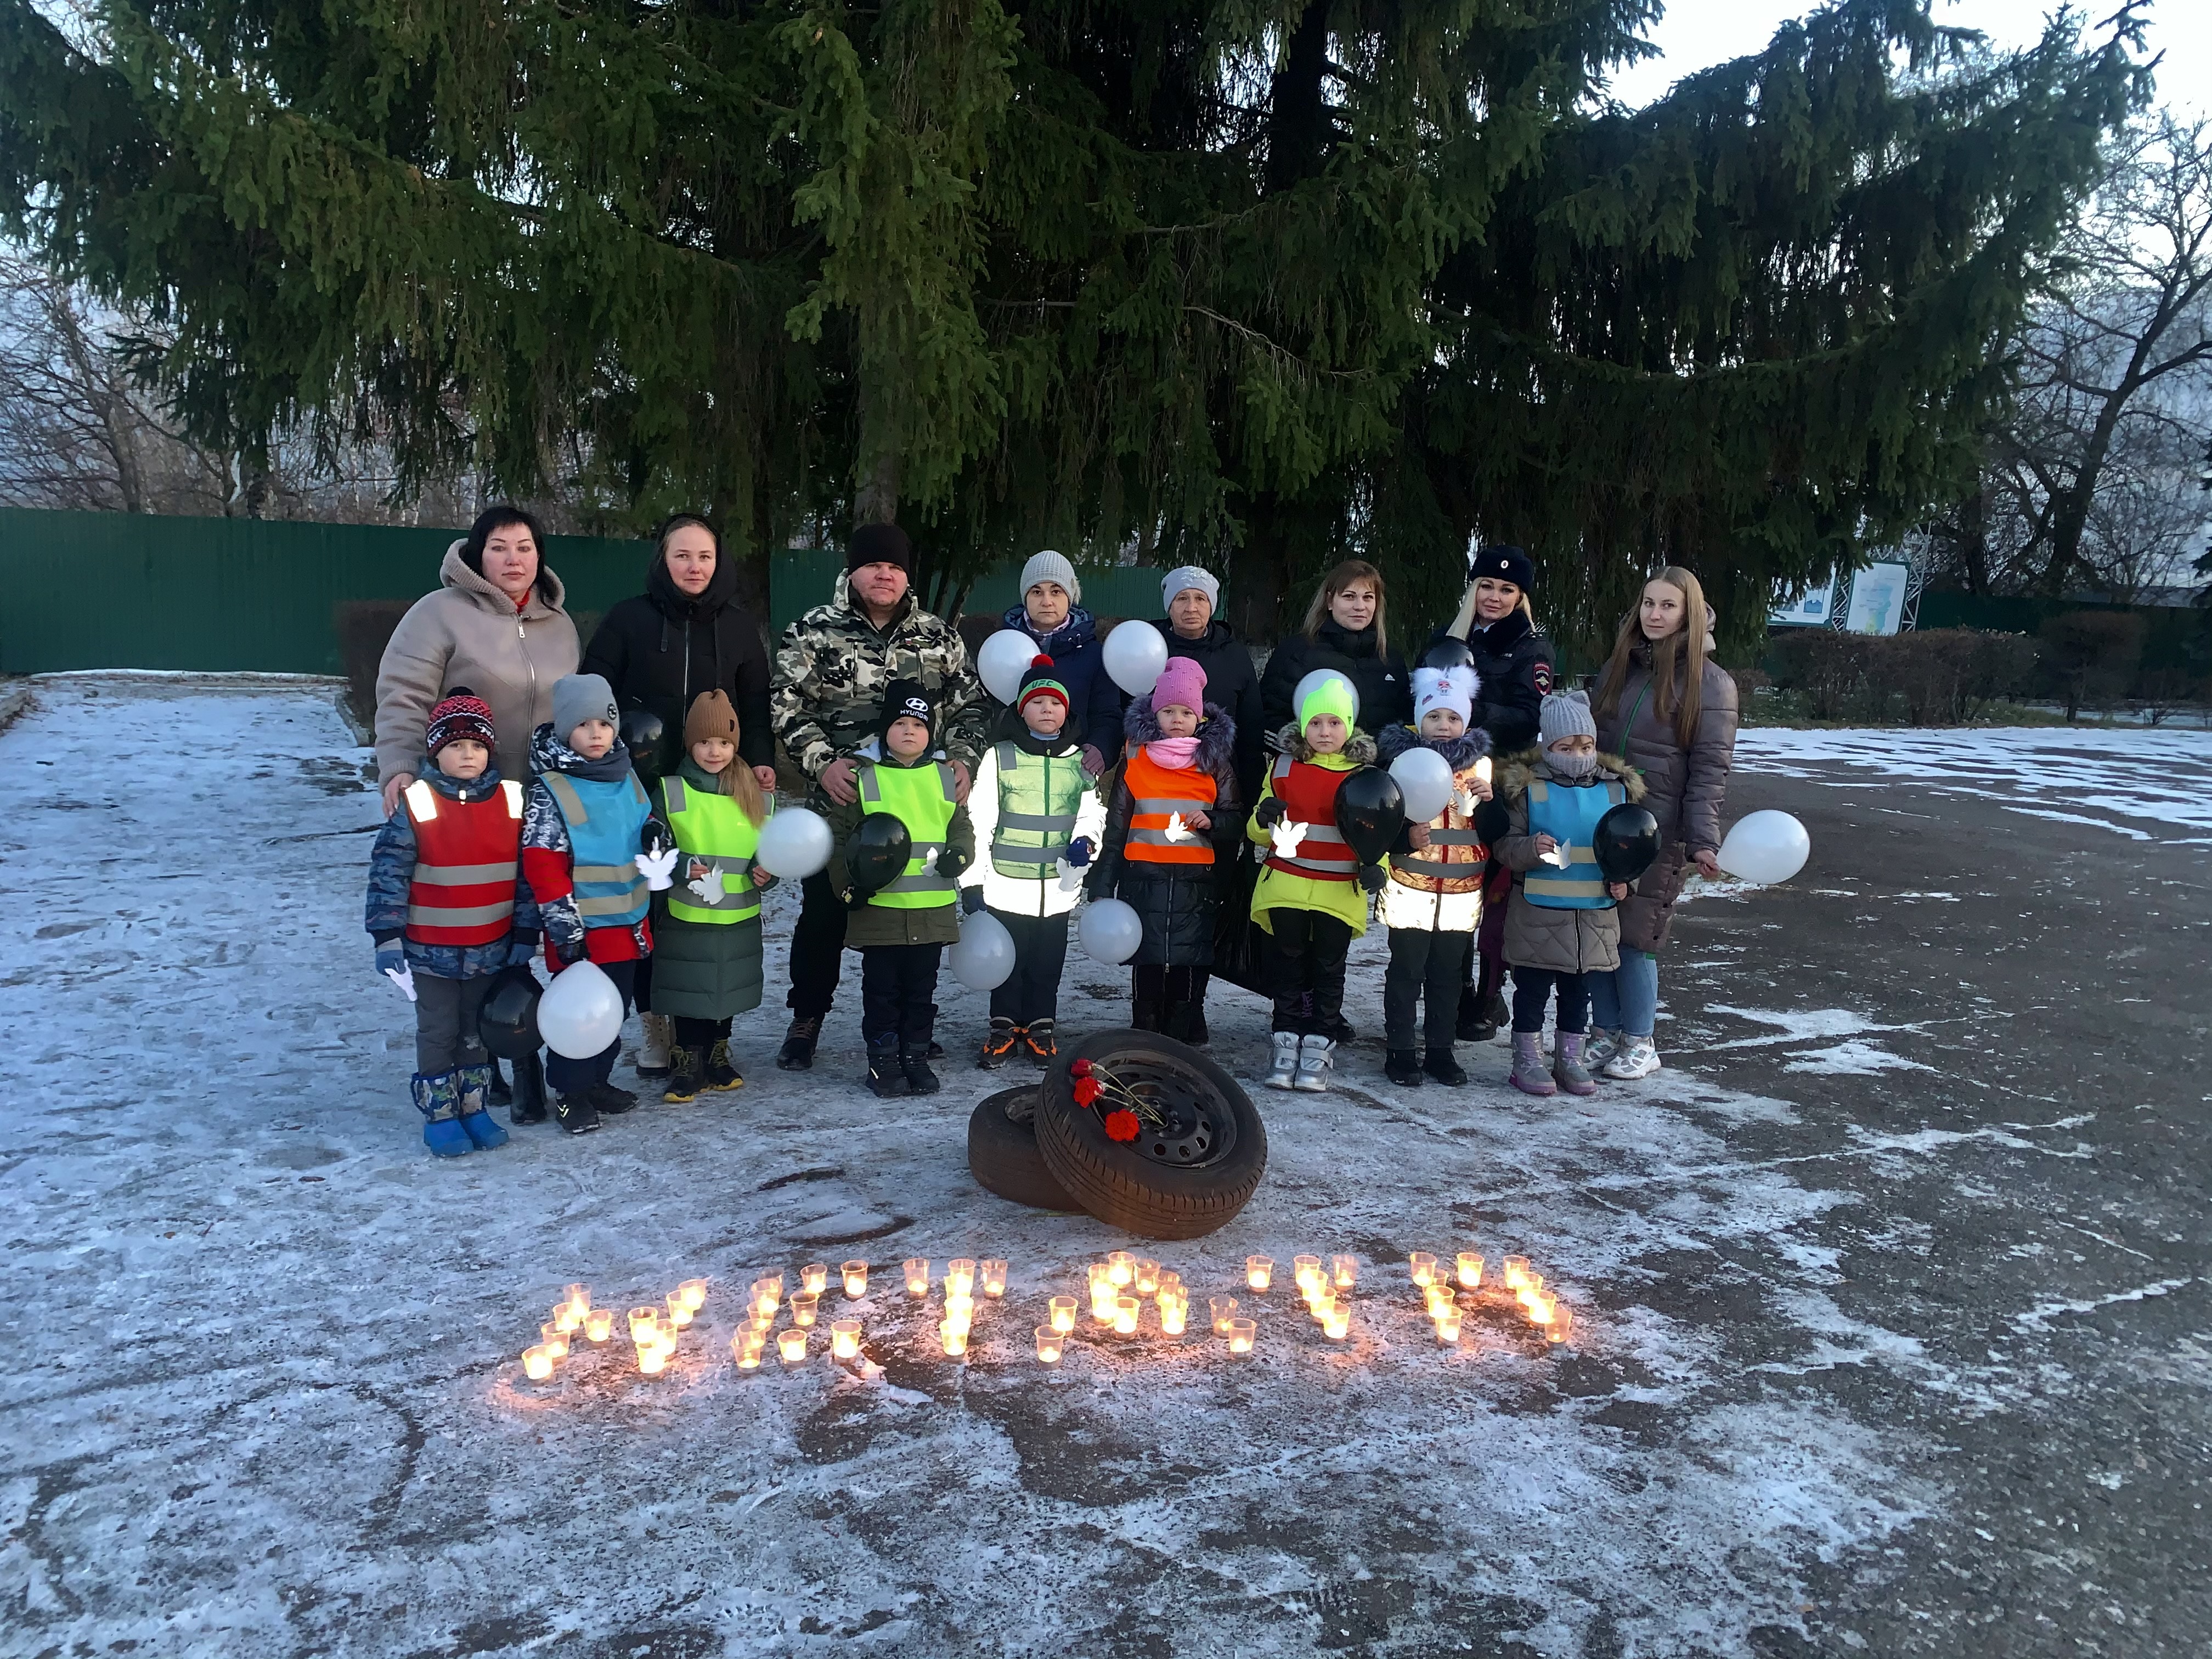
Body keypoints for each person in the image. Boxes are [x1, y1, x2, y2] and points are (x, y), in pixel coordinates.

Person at [770, 524, 986, 1070]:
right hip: (841, 805)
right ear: (854, 571)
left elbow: (972, 709)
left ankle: (907, 1023)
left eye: (893, 566)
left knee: (910, 924)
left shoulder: (940, 638)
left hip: (918, 813)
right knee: (823, 915)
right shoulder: (814, 632)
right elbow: (786, 705)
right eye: (873, 565)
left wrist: (963, 759)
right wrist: (822, 763)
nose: (884, 575)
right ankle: (808, 1015)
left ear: (906, 574)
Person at [581, 514, 778, 1080]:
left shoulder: (739, 629)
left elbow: (757, 701)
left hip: (715, 782)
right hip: (641, 785)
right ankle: (656, 1023)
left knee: (705, 906)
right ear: (662, 560)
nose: (695, 567)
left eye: (705, 557)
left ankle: (708, 1025)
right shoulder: (629, 619)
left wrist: (760, 758)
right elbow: (596, 687)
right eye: (682, 555)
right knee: (651, 908)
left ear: (720, 564)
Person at [365, 690, 542, 1154]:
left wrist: (526, 932)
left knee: (474, 1033)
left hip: (491, 947)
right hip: (430, 951)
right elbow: (388, 873)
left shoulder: (511, 801)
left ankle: (475, 1107)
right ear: (435, 751)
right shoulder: (418, 802)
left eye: (478, 746)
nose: (468, 755)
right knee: (438, 1031)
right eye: (456, 746)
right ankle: (441, 1114)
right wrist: (387, 938)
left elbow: (527, 874)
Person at [1588, 567, 1739, 1081]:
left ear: (1689, 614)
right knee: (1599, 931)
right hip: (1603, 821)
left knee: (1636, 937)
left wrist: (1700, 840)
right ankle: (1604, 1032)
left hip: (1657, 832)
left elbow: (1709, 771)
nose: (1655, 615)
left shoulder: (1710, 684)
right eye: (1649, 603)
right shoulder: (1619, 668)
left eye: (1668, 606)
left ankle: (1640, 1039)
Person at [520, 673, 675, 1133]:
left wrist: (656, 836)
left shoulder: (626, 777)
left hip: (627, 924)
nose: (595, 734)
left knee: (614, 1010)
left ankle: (597, 1082)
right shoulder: (550, 790)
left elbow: (645, 822)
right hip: (580, 933)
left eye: (604, 725)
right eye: (583, 725)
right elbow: (543, 867)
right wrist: (566, 932)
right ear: (565, 729)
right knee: (578, 1016)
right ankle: (570, 1092)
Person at [822, 681, 976, 1097]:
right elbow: (839, 839)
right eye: (900, 724)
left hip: (931, 910)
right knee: (882, 991)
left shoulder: (946, 779)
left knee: (921, 991)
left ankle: (916, 1057)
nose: (910, 732)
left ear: (931, 734)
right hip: (881, 914)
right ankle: (883, 1061)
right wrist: (846, 888)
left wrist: (960, 856)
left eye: (919, 725)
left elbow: (961, 828)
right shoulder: (865, 779)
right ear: (885, 730)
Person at [374, 505, 578, 817]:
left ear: (538, 557)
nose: (514, 559)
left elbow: (577, 708)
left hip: (547, 800)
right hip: (460, 795)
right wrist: (401, 764)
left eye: (525, 548)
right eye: (499, 548)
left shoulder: (560, 623)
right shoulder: (438, 613)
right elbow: (404, 697)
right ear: (478, 555)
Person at [1489, 692, 1641, 1097]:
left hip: (1593, 917)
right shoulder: (1528, 789)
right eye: (1566, 747)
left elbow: (1632, 849)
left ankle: (1570, 1058)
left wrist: (1627, 882)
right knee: (1532, 992)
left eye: (1586, 746)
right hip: (1539, 915)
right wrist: (1528, 850)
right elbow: (1503, 847)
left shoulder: (1615, 791)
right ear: (1548, 747)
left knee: (1579, 994)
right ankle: (1528, 1059)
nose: (1578, 754)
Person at [1086, 656, 1243, 1041]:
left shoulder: (1215, 762)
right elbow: (1118, 825)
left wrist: (1215, 822)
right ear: (1155, 714)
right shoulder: (1136, 759)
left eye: (1186, 711)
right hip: (1145, 880)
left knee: (1188, 964)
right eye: (1168, 710)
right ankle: (1145, 1032)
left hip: (1195, 884)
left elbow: (1235, 817)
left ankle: (1181, 1034)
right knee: (1148, 961)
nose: (1177, 719)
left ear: (1200, 717)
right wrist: (1103, 884)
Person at [1434, 545, 1554, 1045]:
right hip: (1445, 776)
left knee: (1490, 893)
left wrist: (1473, 713)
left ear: (1520, 596)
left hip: (1499, 781)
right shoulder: (1447, 642)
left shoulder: (1533, 650)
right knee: (1447, 880)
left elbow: (1532, 717)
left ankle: (1486, 994)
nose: (1495, 597)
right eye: (1486, 586)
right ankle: (1451, 987)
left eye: (1507, 590)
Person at [960, 656, 1104, 1066]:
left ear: (1067, 710)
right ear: (1022, 709)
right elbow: (980, 818)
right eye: (1037, 702)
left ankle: (1041, 1027)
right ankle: (1003, 1027)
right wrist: (973, 882)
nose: (1047, 710)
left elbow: (1093, 814)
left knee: (1046, 963)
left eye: (1055, 703)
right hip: (1006, 885)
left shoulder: (1081, 760)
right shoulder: (999, 757)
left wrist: (1084, 843)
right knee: (1008, 961)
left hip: (1058, 889)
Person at [1247, 674, 1381, 1092]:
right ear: (1303, 726)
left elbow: (1381, 829)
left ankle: (1320, 1045)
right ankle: (1285, 1041)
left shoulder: (1364, 776)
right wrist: (1263, 818)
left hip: (1338, 890)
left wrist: (1380, 867)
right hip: (1286, 883)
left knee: (1328, 969)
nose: (1325, 732)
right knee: (1286, 967)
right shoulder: (1283, 766)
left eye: (1334, 723)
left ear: (1350, 726)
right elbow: (1256, 830)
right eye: (1316, 723)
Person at [651, 690, 776, 1104]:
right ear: (690, 744)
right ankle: (690, 1059)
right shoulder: (671, 791)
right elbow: (652, 847)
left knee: (727, 988)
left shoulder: (757, 797)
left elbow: (770, 852)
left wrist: (767, 874)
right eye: (704, 742)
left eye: (724, 742)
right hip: (688, 914)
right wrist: (682, 865)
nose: (714, 751)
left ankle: (719, 1054)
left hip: (738, 914)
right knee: (690, 989)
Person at [1374, 665, 1493, 1088]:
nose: (1444, 726)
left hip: (1463, 891)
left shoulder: (1482, 769)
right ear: (1419, 720)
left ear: (1467, 722)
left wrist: (1492, 803)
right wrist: (1404, 840)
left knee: (1448, 976)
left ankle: (1441, 1050)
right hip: (1410, 887)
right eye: (1434, 717)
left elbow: (1495, 831)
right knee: (1406, 972)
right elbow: (1378, 821)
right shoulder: (1400, 764)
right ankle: (1401, 1051)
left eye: (1453, 718)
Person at [994, 551, 1119, 775]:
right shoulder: (1000, 649)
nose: (1047, 601)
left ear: (1069, 596)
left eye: (1056, 591)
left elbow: (1107, 713)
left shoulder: (1093, 654)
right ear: (1025, 597)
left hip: (1073, 769)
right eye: (1037, 592)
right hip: (1012, 770)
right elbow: (987, 709)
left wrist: (1101, 748)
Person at [1258, 558, 1412, 738]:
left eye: (1368, 597)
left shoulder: (1390, 660)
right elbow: (1268, 717)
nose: (1360, 606)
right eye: (1349, 596)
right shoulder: (1296, 653)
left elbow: (1407, 723)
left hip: (1379, 765)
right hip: (1313, 765)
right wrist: (1310, 747)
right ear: (1330, 601)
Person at [1147, 566, 1264, 799]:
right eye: (1182, 598)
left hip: (1219, 784)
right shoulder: (1147, 650)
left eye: (1201, 598)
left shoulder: (1234, 657)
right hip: (1154, 779)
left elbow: (1250, 734)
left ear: (1211, 605)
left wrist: (1250, 800)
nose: (1192, 608)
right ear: (1169, 606)